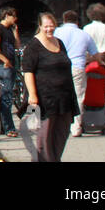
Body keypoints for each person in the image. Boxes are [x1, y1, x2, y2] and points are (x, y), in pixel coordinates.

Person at [22, 12, 79, 162]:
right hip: (45, 98)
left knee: (62, 133)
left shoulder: (59, 42)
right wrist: (32, 95)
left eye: (52, 25)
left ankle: (55, 159)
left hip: (64, 97)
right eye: (46, 26)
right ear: (40, 26)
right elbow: (28, 71)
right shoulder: (33, 46)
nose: (49, 29)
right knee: (45, 136)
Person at [54, 11, 98, 137]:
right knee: (79, 97)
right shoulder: (84, 35)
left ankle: (60, 125)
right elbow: (95, 54)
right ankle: (76, 128)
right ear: (77, 21)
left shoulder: (56, 32)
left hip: (59, 67)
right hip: (78, 67)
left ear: (63, 20)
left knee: (60, 95)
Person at [0, 8, 20, 138]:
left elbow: (17, 46)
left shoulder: (9, 30)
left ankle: (3, 126)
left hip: (11, 65)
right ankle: (8, 128)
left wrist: (16, 33)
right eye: (14, 16)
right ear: (7, 16)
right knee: (6, 96)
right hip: (4, 66)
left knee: (7, 95)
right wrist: (5, 60)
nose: (15, 19)